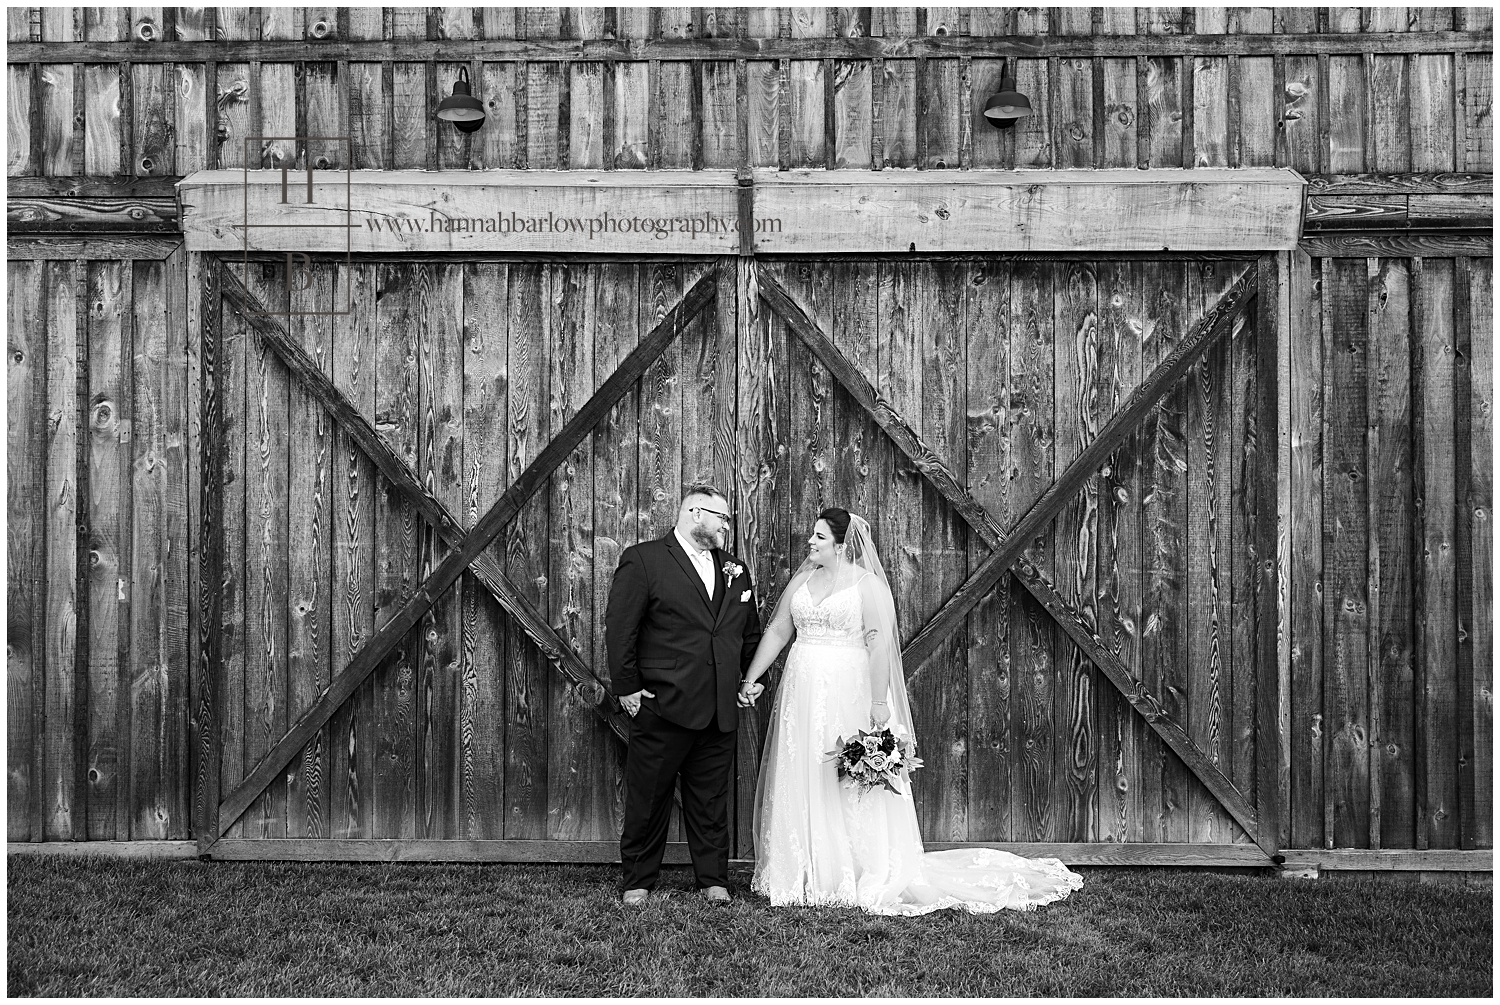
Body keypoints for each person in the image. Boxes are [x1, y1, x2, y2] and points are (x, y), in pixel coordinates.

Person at [738, 507, 1083, 915]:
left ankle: (853, 868)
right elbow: (779, 629)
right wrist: (751, 678)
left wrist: (879, 702)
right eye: (812, 536)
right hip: (802, 687)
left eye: (819, 537)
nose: (810, 543)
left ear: (843, 546)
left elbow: (878, 643)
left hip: (847, 688)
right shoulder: (803, 578)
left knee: (845, 776)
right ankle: (806, 867)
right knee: (803, 767)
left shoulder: (866, 586)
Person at [604, 484, 762, 905]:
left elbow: (749, 633)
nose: (727, 526)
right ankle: (638, 880)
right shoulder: (644, 560)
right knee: (649, 796)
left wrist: (752, 677)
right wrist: (628, 689)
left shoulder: (735, 569)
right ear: (695, 513)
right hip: (661, 703)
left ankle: (713, 879)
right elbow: (621, 630)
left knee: (711, 799)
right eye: (722, 518)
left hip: (719, 708)